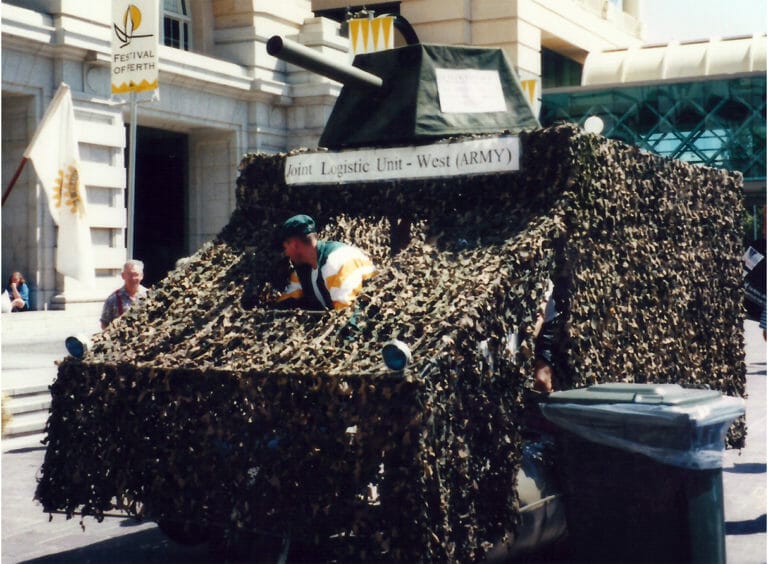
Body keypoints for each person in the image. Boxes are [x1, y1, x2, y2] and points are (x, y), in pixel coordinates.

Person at [274, 214, 376, 310]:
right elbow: (285, 303)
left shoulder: (338, 261)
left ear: (294, 244)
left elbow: (347, 315)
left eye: (285, 248)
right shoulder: (303, 270)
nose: (286, 254)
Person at [100, 259, 148, 329]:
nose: (133, 278)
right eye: (130, 274)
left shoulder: (148, 295)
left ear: (142, 276)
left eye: (136, 275)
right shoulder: (113, 299)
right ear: (123, 276)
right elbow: (104, 324)